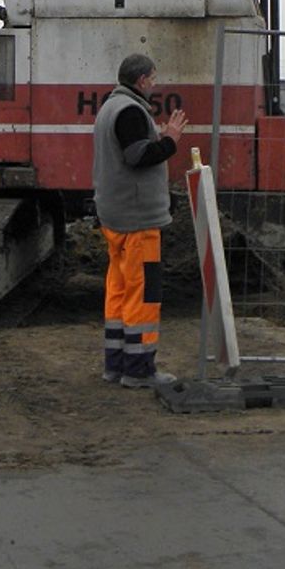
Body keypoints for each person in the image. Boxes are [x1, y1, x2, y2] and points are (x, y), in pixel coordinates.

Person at [92, 53, 188, 390]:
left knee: (118, 293)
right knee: (143, 295)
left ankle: (115, 365)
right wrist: (169, 141)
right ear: (142, 80)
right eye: (153, 78)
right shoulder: (130, 111)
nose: (155, 83)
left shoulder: (110, 107)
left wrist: (155, 141)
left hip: (115, 217)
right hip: (138, 222)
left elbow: (128, 152)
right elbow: (137, 157)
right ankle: (139, 369)